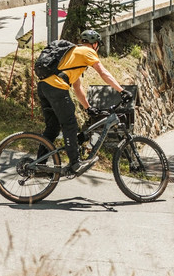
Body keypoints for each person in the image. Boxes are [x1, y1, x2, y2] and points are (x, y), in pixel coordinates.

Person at [38, 29, 132, 175]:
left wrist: (87, 107)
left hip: (44, 87)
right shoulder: (87, 52)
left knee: (53, 128)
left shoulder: (74, 54)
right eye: (97, 46)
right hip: (57, 88)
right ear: (95, 44)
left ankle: (39, 166)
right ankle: (75, 163)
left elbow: (77, 86)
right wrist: (121, 91)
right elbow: (103, 72)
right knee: (70, 125)